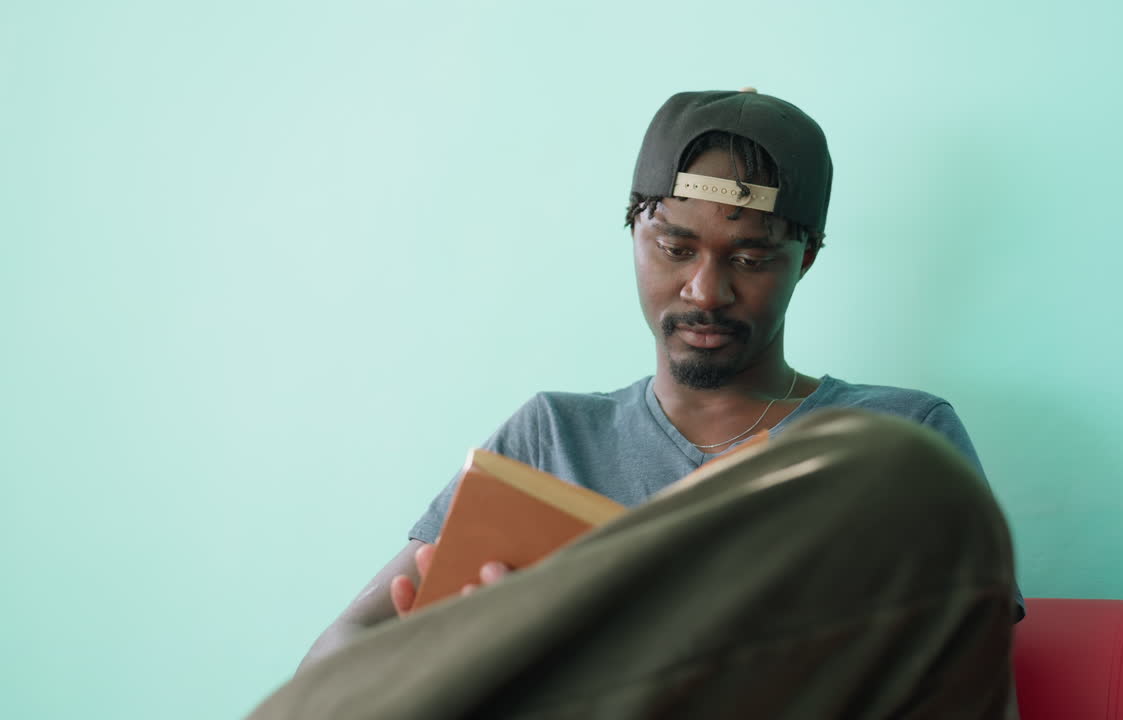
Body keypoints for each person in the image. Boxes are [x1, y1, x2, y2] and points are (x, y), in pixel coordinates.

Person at [252, 89, 1023, 719]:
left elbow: (967, 691)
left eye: (751, 258)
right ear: (633, 231)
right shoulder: (551, 435)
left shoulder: (900, 437)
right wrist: (460, 648)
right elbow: (332, 660)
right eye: (675, 248)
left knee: (891, 464)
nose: (704, 291)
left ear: (806, 258)